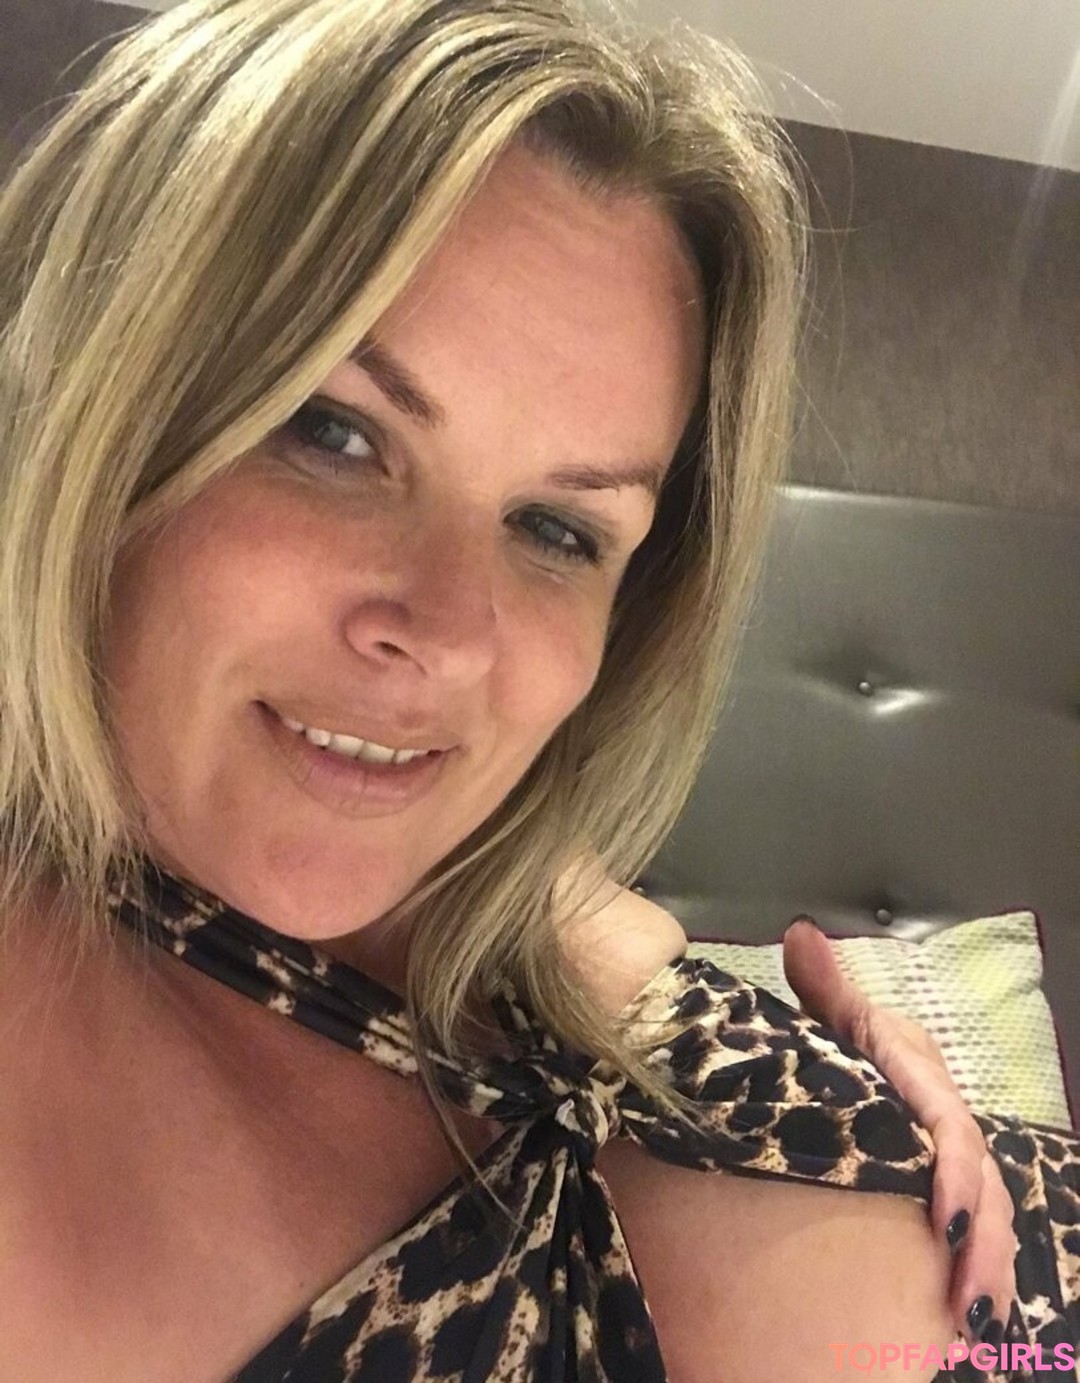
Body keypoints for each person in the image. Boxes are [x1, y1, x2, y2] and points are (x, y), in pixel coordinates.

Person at [0, 0, 1072, 1379]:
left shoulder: (439, 866)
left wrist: (844, 1032)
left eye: (559, 529)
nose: (453, 638)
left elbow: (576, 915)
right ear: (84, 396)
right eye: (333, 433)